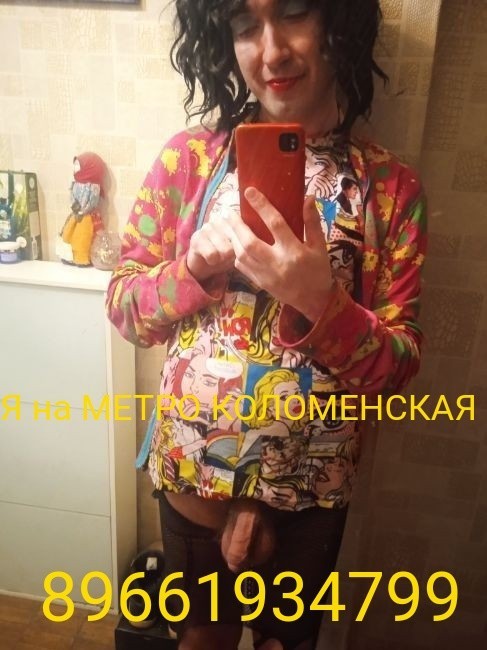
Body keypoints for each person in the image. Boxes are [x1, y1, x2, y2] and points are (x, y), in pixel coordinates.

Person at [106, 0, 427, 648]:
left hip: (310, 488)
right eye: (245, 25)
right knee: (201, 641)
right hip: (194, 478)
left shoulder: (389, 190)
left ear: (337, 21)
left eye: (293, 13)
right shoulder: (188, 162)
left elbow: (396, 368)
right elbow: (125, 307)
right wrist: (191, 270)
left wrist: (323, 303)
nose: (271, 50)